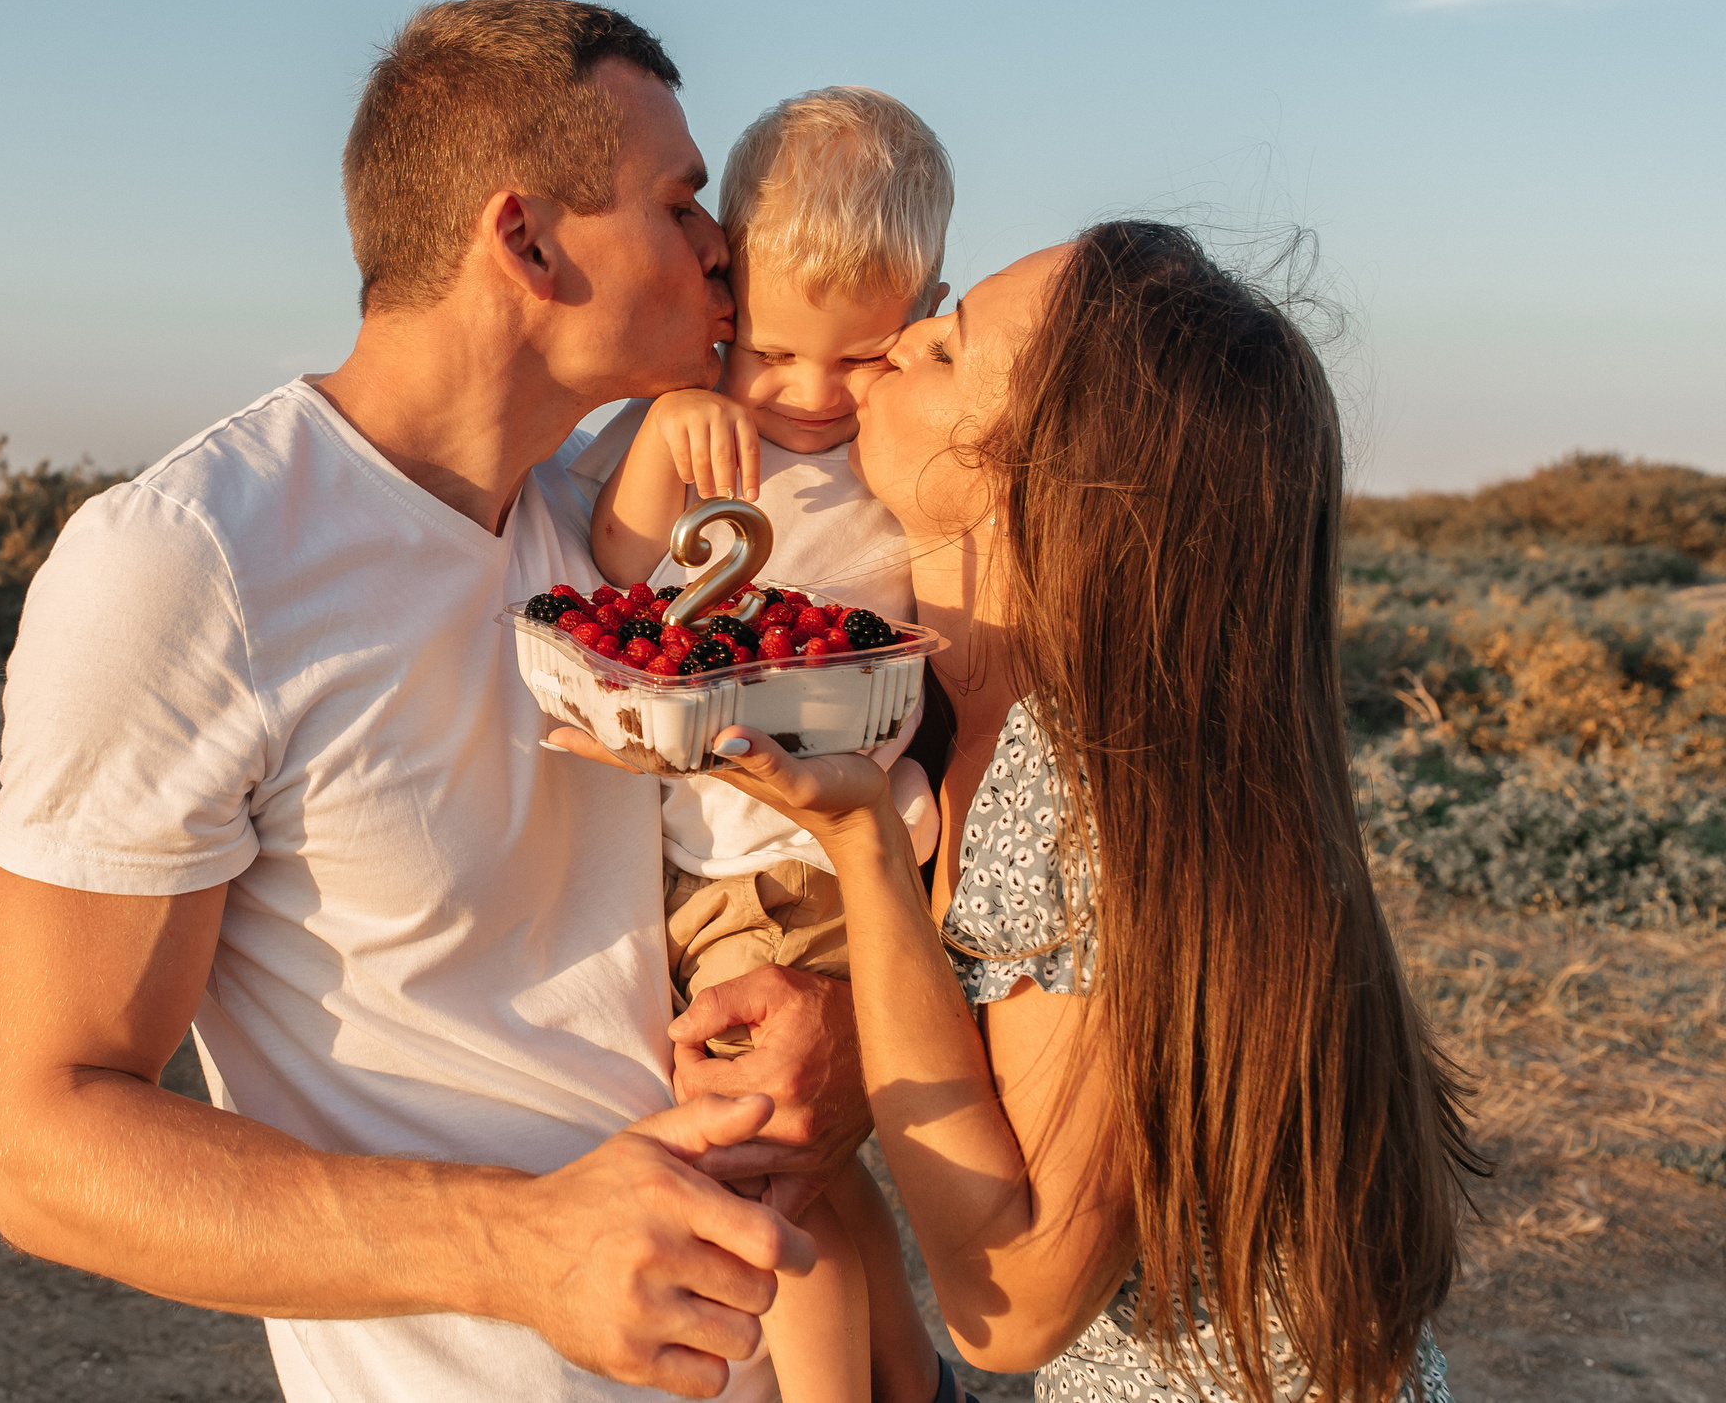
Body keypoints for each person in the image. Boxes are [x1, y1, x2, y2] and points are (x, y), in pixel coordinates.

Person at [0, 0, 883, 1403]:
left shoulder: (612, 526)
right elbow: (44, 1150)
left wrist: (837, 1012)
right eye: (683, 202)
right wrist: (519, 1248)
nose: (728, 249)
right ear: (525, 241)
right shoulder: (192, 563)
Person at [559, 222, 1478, 1399]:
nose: (896, 342)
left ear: (1031, 467)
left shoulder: (1081, 765)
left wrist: (861, 846)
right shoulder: (953, 709)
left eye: (943, 350)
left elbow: (1013, 1303)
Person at [574, 86, 956, 1403]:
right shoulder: (691, 431)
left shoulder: (908, 449)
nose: (806, 395)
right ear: (726, 288)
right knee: (821, 1183)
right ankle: (917, 1387)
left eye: (858, 359)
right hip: (715, 849)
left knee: (770, 1183)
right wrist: (658, 453)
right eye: (775, 352)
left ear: (922, 319)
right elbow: (625, 578)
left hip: (809, 854)